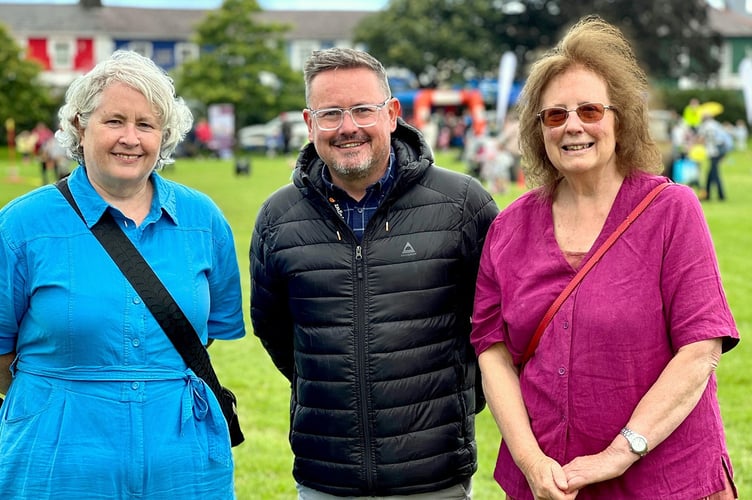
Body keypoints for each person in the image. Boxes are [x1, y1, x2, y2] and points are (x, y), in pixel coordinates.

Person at [470, 16, 739, 500]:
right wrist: (533, 465)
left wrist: (617, 454)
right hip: (550, 485)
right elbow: (492, 352)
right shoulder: (507, 229)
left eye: (590, 110)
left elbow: (701, 350)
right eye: (555, 115)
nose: (572, 125)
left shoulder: (671, 210)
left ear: (620, 118)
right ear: (539, 130)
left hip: (664, 481)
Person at [250, 47, 499, 499]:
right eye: (331, 114)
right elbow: (275, 330)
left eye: (363, 110)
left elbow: (494, 327)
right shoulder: (277, 218)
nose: (348, 127)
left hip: (434, 475)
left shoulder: (463, 205)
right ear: (309, 124)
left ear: (392, 114)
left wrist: (455, 399)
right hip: (327, 476)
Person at [0, 50, 245, 499]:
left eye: (146, 125)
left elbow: (206, 334)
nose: (129, 138)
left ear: (164, 136)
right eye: (114, 121)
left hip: (184, 461)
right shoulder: (21, 226)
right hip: (57, 462)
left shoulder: (203, 219)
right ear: (79, 125)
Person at [696, 112, 733, 201]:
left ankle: (721, 195)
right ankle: (707, 194)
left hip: (713, 152)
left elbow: (701, 139)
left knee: (715, 174)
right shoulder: (716, 125)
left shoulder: (705, 126)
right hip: (720, 151)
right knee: (710, 173)